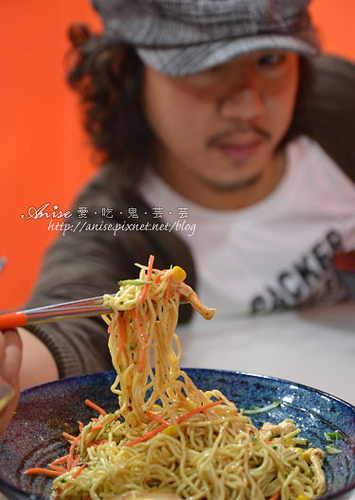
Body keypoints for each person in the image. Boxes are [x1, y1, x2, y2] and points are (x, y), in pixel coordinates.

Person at [1, 0, 354, 435]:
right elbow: (71, 328)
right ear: (129, 76)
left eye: (270, 60)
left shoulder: (339, 112)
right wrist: (9, 371)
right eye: (206, 66)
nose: (248, 106)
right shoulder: (116, 218)